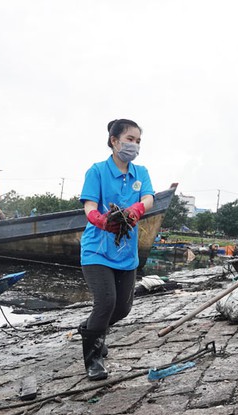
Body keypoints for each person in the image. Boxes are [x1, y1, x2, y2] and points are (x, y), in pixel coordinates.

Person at [78, 119, 155, 380]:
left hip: (126, 253)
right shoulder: (97, 171)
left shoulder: (140, 172)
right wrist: (100, 220)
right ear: (114, 140)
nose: (134, 145)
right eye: (130, 139)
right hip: (96, 250)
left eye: (138, 141)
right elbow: (89, 205)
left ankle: (91, 329)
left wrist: (137, 209)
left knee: (122, 308)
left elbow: (148, 197)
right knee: (106, 302)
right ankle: (93, 359)